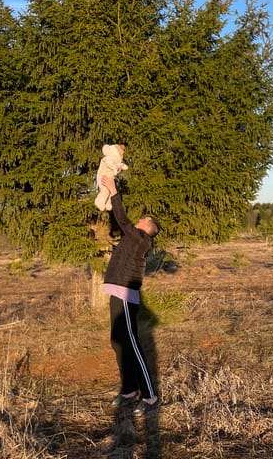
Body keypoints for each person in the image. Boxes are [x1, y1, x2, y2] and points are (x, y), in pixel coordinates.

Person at [101, 174, 161, 412]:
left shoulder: (141, 239)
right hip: (117, 291)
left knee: (133, 344)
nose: (140, 219)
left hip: (126, 294)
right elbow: (122, 224)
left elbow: (123, 220)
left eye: (144, 219)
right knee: (118, 342)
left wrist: (114, 191)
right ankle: (129, 390)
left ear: (148, 228)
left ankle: (150, 396)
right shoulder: (133, 239)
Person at [94, 143, 129, 211]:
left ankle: (107, 203)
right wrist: (114, 169)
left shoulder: (116, 160)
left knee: (110, 191)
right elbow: (109, 163)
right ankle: (99, 202)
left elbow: (120, 165)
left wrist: (123, 166)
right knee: (105, 190)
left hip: (109, 178)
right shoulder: (109, 158)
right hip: (103, 176)